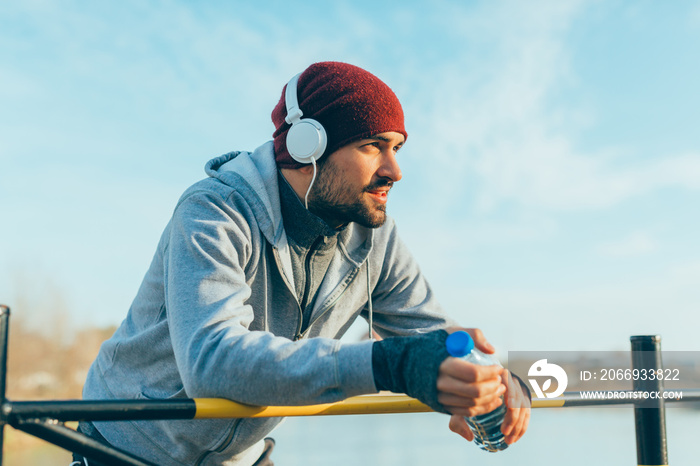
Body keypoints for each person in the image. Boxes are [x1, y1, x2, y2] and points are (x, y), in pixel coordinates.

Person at [76, 61, 530, 465]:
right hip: (125, 450)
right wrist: (387, 365)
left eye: (397, 148)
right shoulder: (214, 210)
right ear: (307, 145)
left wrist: (495, 379)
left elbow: (430, 337)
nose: (395, 170)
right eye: (374, 145)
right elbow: (211, 362)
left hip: (239, 458)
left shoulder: (376, 236)